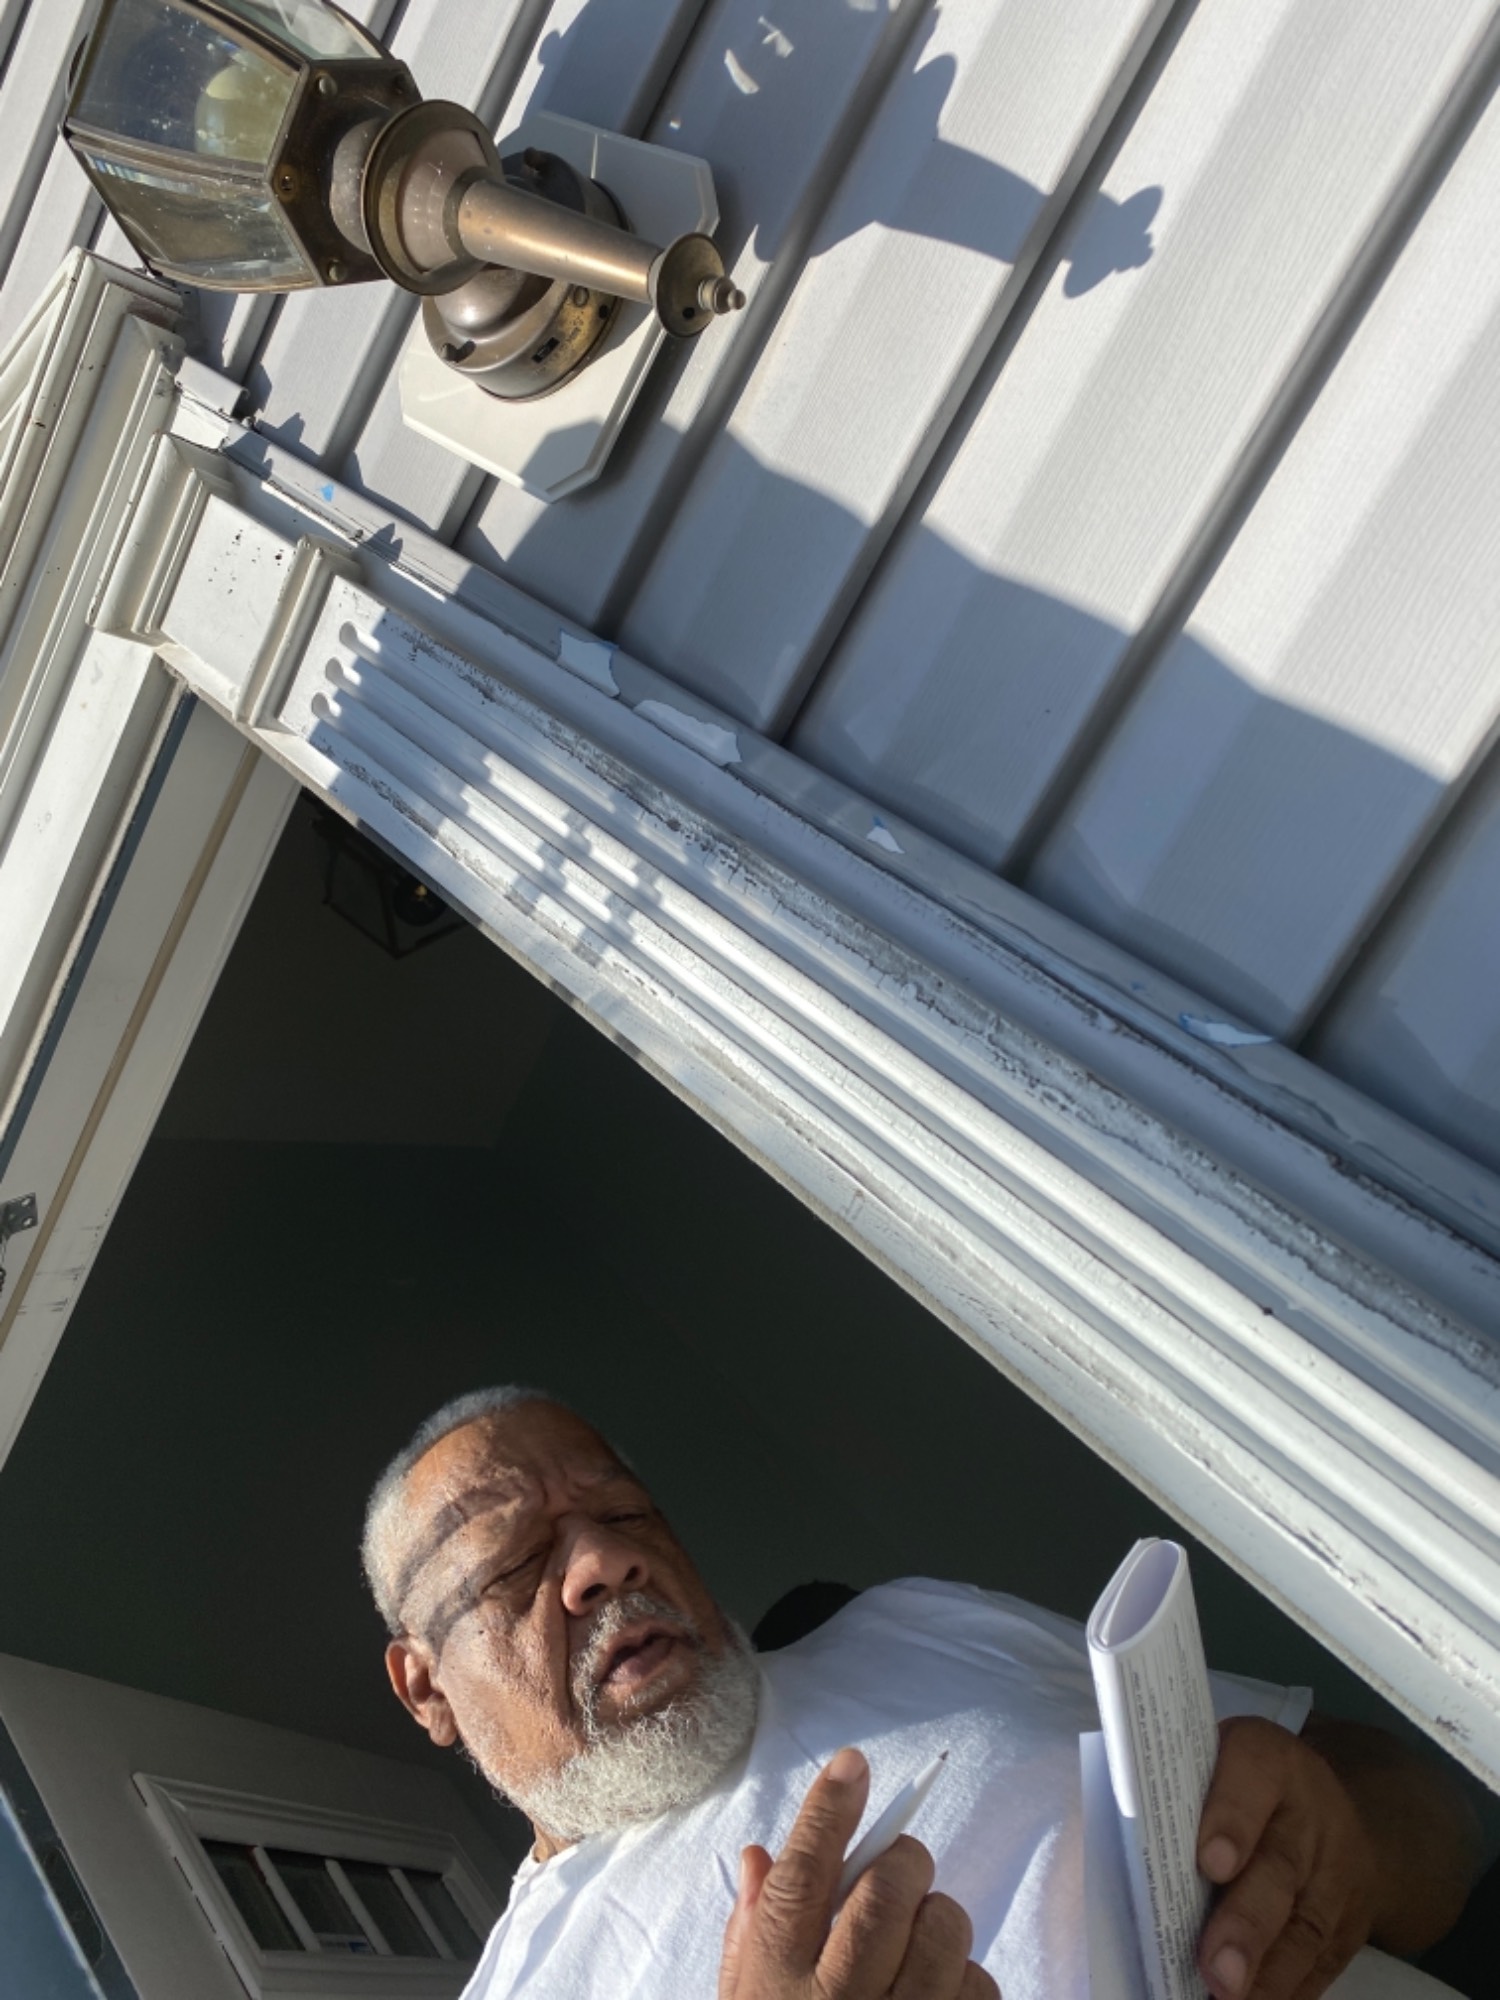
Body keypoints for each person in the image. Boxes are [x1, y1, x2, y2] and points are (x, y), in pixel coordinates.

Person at [360, 1389, 1482, 1999]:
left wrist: (1349, 1834)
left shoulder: (915, 1621)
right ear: (425, 1688)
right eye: (513, 1560)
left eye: (625, 1510)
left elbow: (1435, 1830)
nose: (605, 1558)